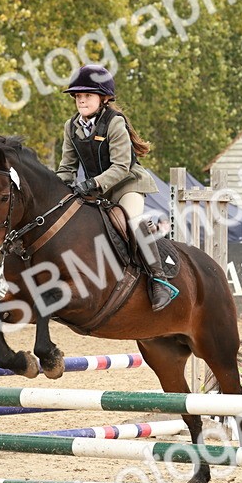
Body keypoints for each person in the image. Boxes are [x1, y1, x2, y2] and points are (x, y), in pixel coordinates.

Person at [55, 63, 178, 311]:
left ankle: (159, 281)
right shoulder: (71, 127)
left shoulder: (114, 123)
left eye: (87, 95)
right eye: (78, 96)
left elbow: (121, 166)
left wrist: (93, 183)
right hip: (96, 189)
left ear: (104, 98)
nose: (81, 100)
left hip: (127, 184)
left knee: (132, 221)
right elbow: (66, 167)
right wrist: (58, 190)